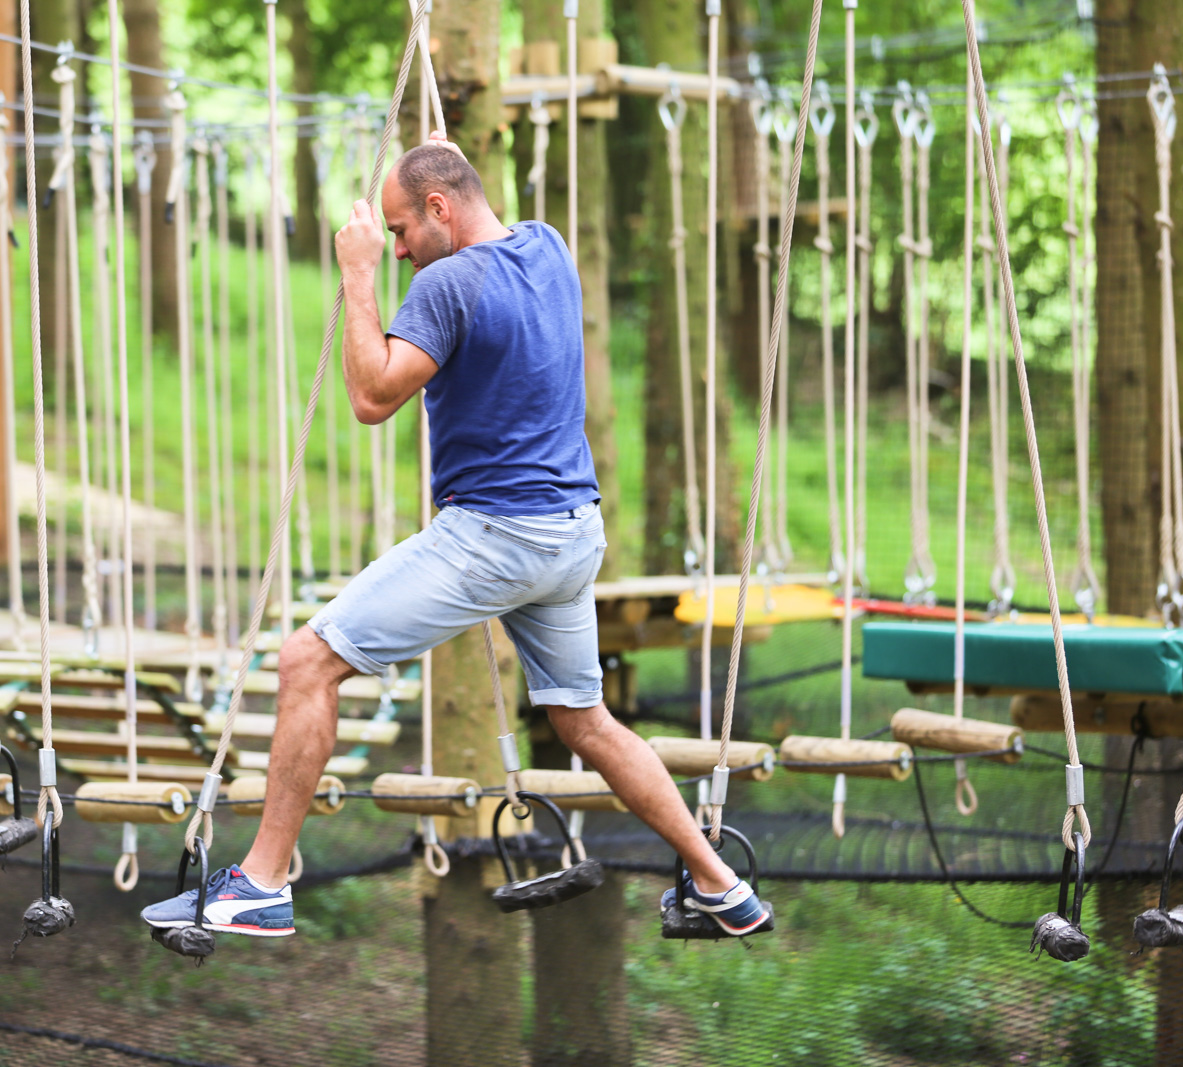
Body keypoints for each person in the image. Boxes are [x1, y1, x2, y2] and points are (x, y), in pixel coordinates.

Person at [143, 136, 770, 939]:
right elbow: (458, 189)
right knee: (585, 721)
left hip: (497, 537)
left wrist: (360, 273)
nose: (401, 248)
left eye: (403, 230)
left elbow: (372, 399)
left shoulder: (448, 282)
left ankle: (262, 883)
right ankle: (721, 885)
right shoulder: (548, 248)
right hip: (574, 535)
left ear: (440, 209)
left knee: (307, 660)